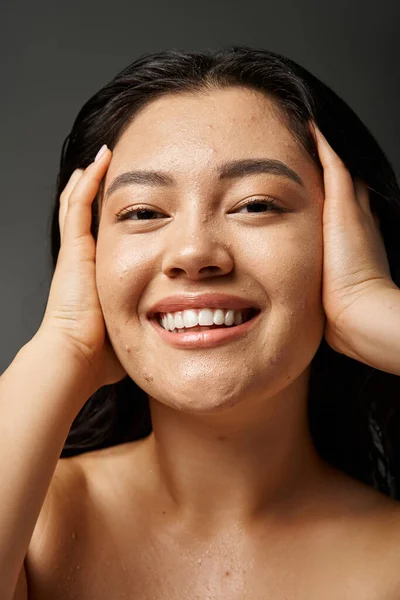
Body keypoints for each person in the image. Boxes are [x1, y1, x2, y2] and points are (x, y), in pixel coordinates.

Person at [3, 45, 400, 599]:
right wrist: (65, 341)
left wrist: (373, 306)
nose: (193, 251)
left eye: (255, 204)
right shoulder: (32, 524)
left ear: (351, 237)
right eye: (143, 212)